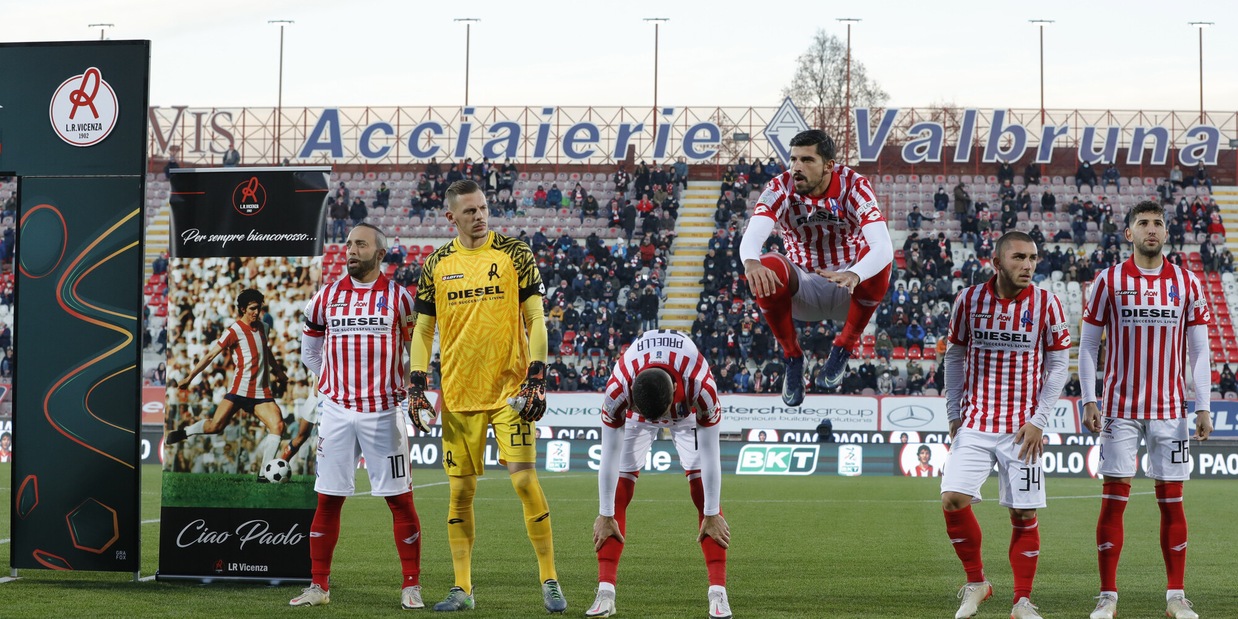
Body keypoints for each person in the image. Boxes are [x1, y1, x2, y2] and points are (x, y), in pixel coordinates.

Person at [408, 179, 567, 613]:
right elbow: (423, 330)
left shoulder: (515, 254)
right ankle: (463, 588)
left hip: (510, 391)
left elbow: (535, 317)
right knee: (459, 494)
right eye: (470, 211)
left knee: (524, 480)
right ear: (451, 217)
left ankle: (549, 579)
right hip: (459, 395)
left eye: (482, 208)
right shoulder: (437, 263)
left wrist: (537, 374)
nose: (479, 216)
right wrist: (417, 384)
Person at [1078, 200, 1212, 619]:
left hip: (1171, 410)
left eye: (1157, 223)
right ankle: (1107, 597)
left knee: (1173, 502)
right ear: (1128, 233)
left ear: (1167, 233)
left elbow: (1200, 349)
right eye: (1142, 223)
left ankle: (1176, 596)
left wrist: (1203, 405)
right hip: (1118, 410)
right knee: (1113, 501)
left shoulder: (1187, 283)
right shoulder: (1108, 280)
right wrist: (1088, 398)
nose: (1150, 229)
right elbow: (1086, 347)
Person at [289, 223, 424, 609]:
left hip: (384, 413)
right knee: (328, 500)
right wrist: (336, 386)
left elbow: (416, 353)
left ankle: (411, 585)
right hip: (336, 412)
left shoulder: (401, 300)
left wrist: (408, 392)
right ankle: (319, 587)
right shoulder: (324, 298)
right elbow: (310, 353)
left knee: (400, 500)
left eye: (360, 245)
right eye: (348, 244)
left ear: (380, 254)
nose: (350, 250)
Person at [941, 230, 1071, 619]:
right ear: (996, 263)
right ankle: (977, 582)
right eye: (1018, 258)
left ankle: (1022, 600)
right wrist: (953, 412)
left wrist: (1039, 420)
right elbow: (954, 357)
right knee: (952, 499)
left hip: (1023, 430)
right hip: (977, 423)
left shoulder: (1048, 304)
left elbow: (1058, 366)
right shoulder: (968, 300)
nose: (1028, 265)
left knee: (1024, 515)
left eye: (1032, 258)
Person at [739, 129, 893, 407]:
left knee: (877, 255)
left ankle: (844, 347)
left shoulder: (855, 185)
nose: (797, 167)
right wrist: (750, 261)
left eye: (807, 160)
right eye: (794, 159)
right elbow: (754, 233)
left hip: (848, 286)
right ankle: (793, 357)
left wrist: (855, 273)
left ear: (829, 166)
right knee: (765, 264)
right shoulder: (780, 185)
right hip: (803, 287)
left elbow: (883, 245)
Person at [587, 329, 731, 619]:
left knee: (702, 491)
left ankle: (718, 593)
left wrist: (712, 513)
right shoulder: (619, 389)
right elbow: (609, 454)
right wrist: (605, 513)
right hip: (638, 414)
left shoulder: (700, 388)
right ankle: (605, 592)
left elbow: (711, 453)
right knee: (617, 495)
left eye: (662, 415)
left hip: (685, 414)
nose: (660, 424)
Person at [166, 288, 288, 476]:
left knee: (278, 426)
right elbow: (210, 355)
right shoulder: (234, 330)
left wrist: (279, 372)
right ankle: (186, 432)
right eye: (252, 308)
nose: (256, 312)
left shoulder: (264, 327)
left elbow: (266, 350)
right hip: (239, 390)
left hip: (261, 392)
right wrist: (190, 377)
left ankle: (264, 474)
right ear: (242, 309)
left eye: (259, 308)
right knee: (216, 427)